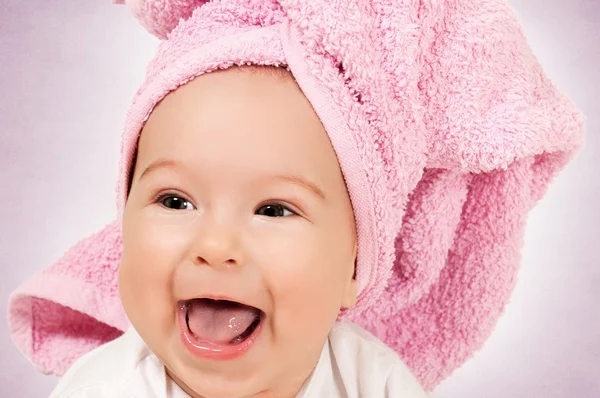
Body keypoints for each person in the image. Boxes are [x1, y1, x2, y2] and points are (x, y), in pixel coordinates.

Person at [7, 0, 584, 397]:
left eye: (274, 210)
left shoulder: (371, 380)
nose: (216, 246)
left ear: (356, 266)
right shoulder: (105, 387)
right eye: (176, 202)